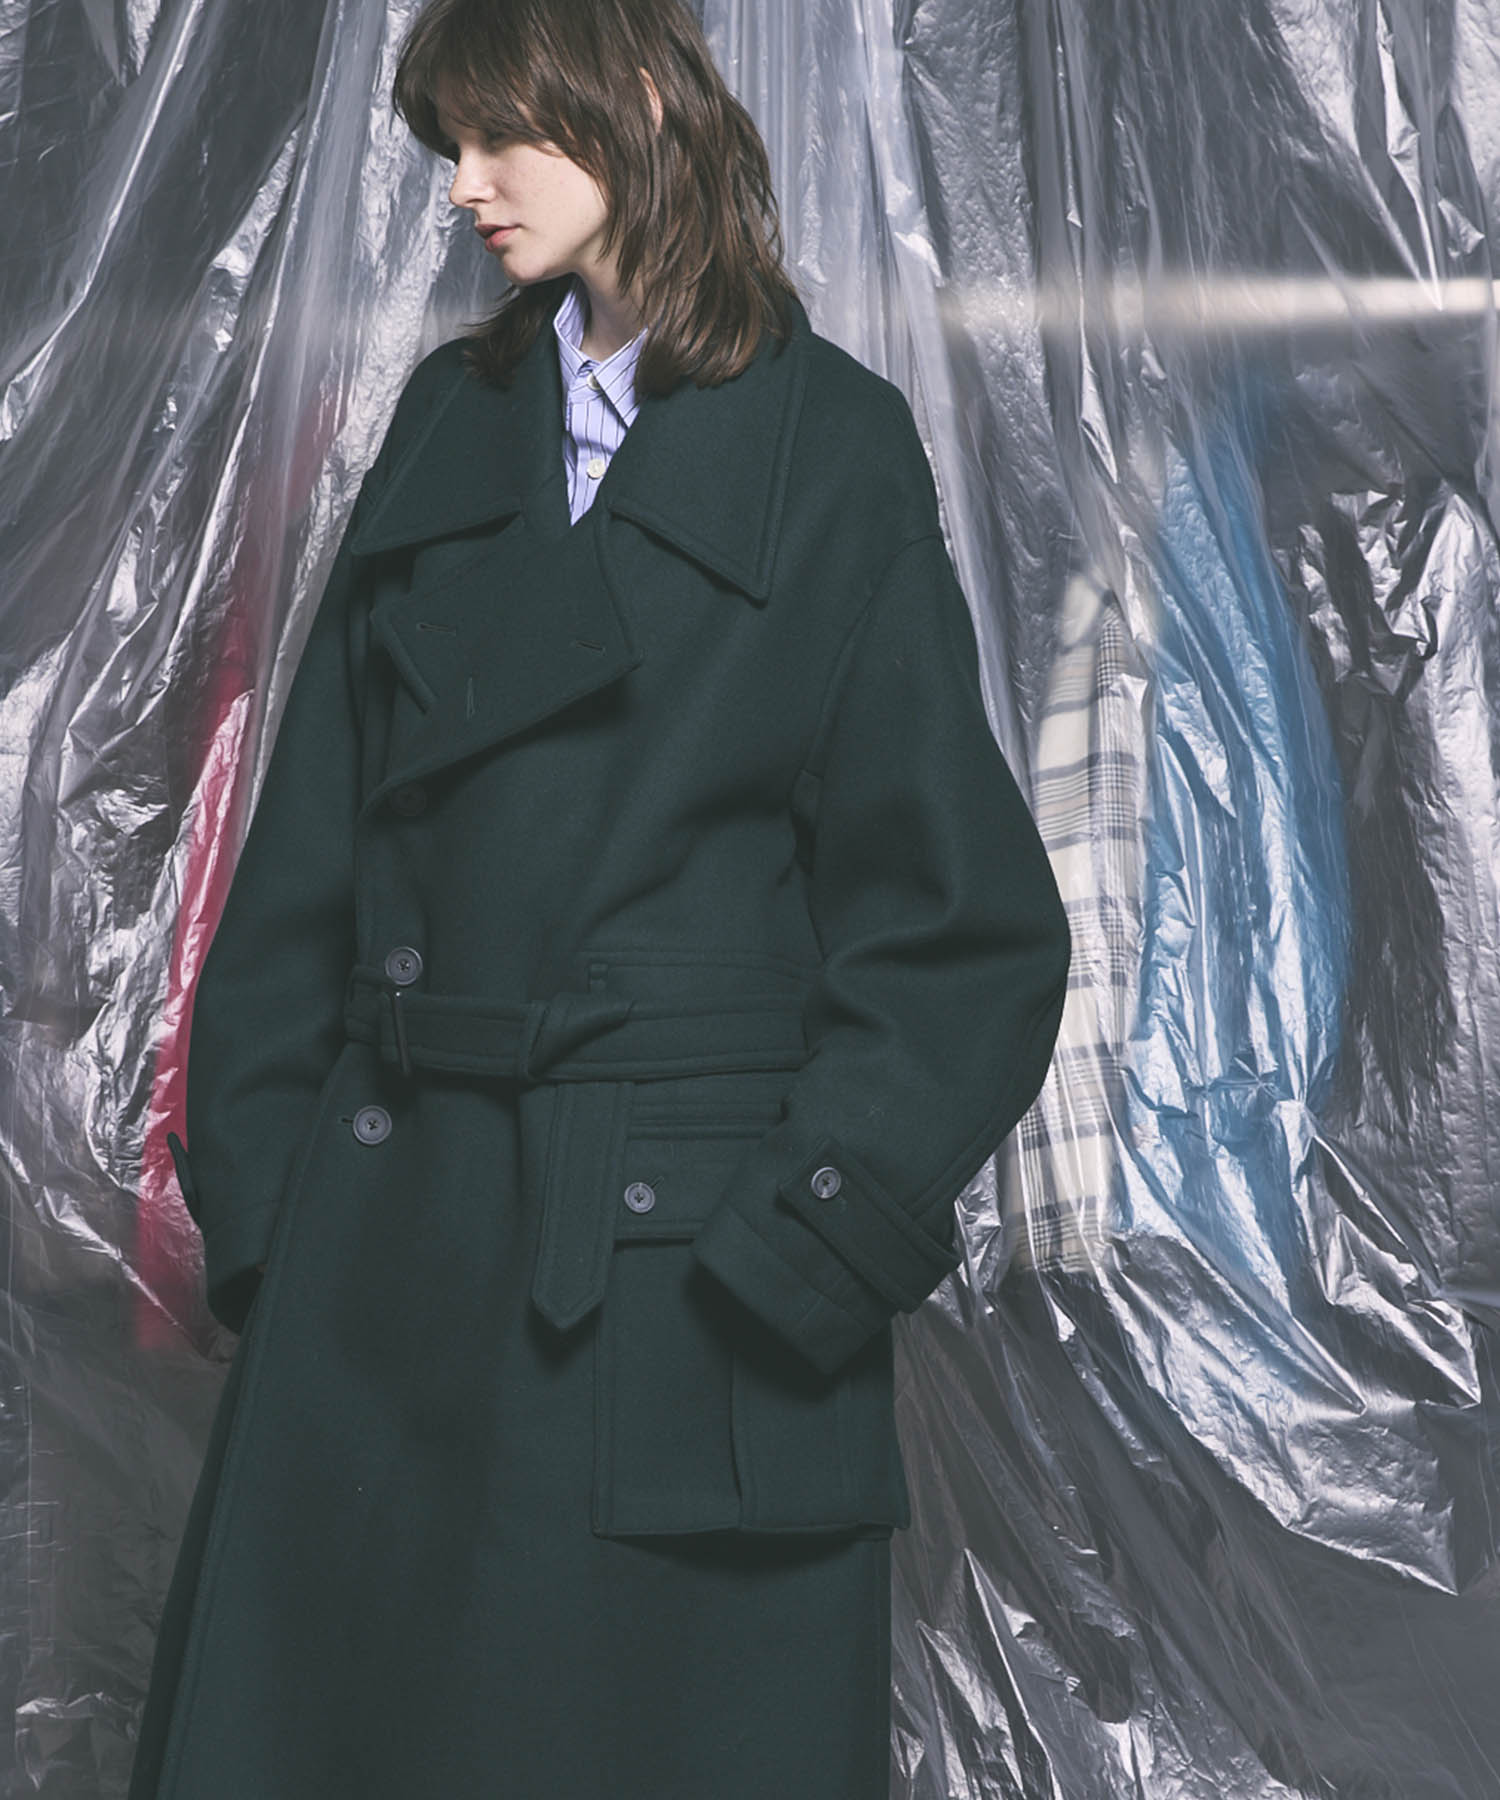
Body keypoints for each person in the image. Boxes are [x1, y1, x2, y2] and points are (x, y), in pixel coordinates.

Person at [132, 1, 1071, 1795]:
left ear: (637, 99)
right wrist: (273, 1220)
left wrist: (800, 1245)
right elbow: (309, 853)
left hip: (670, 1294)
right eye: (448, 146)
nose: (463, 187)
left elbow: (963, 935)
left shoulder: (830, 447)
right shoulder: (447, 416)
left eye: (502, 135)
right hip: (389, 1268)